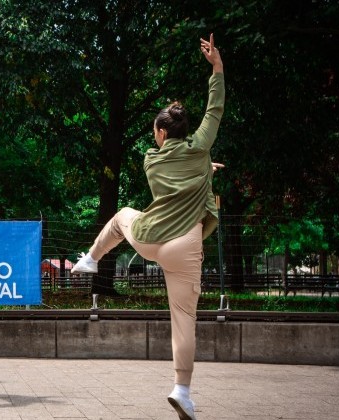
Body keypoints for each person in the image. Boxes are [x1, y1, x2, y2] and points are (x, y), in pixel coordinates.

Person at [71, 34, 224, 420]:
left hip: (151, 239)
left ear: (159, 133)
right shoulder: (200, 149)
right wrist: (217, 68)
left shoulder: (150, 161)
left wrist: (202, 166)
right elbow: (214, 112)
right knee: (184, 319)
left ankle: (91, 258)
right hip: (187, 247)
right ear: (184, 133)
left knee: (123, 213)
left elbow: (175, 173)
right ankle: (183, 389)